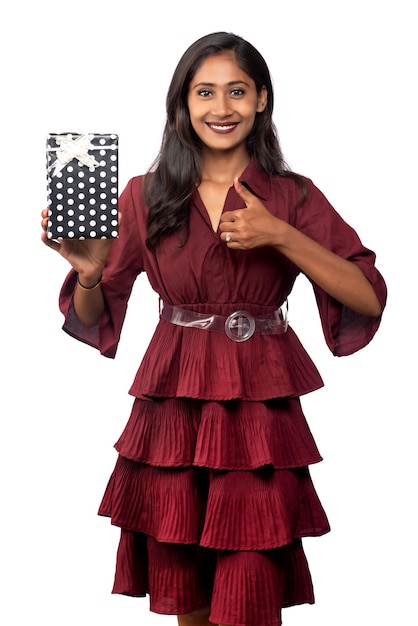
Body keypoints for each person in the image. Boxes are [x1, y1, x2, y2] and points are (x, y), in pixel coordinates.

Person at [41, 31, 387, 626]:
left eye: (236, 91)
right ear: (183, 102)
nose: (220, 108)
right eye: (205, 92)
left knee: (250, 590)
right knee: (189, 595)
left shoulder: (293, 195)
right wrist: (92, 274)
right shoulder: (144, 195)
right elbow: (93, 315)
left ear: (261, 101)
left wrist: (280, 234)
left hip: (258, 415)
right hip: (173, 405)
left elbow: (367, 296)